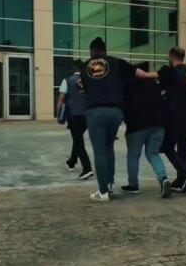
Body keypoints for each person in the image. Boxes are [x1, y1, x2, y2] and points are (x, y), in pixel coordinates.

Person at [80, 37, 155, 202]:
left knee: (99, 151)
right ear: (105, 51)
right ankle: (109, 184)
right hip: (115, 112)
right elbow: (141, 74)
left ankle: (102, 192)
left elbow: (82, 90)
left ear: (91, 51)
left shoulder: (84, 66)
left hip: (95, 112)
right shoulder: (116, 62)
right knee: (108, 147)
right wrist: (160, 74)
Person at [121, 76, 172, 198]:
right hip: (158, 124)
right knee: (153, 153)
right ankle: (163, 178)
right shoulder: (154, 84)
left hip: (137, 124)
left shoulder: (128, 85)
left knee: (133, 155)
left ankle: (133, 185)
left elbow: (124, 106)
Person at [158, 46, 186, 193]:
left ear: (171, 57)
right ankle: (182, 179)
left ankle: (185, 174)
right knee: (183, 147)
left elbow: (163, 89)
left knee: (167, 146)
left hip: (180, 115)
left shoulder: (173, 73)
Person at [56, 60, 93, 180]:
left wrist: (58, 114)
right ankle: (71, 162)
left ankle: (87, 168)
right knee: (77, 138)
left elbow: (61, 98)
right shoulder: (89, 80)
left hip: (74, 115)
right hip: (87, 115)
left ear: (73, 68)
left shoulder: (67, 80)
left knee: (78, 141)